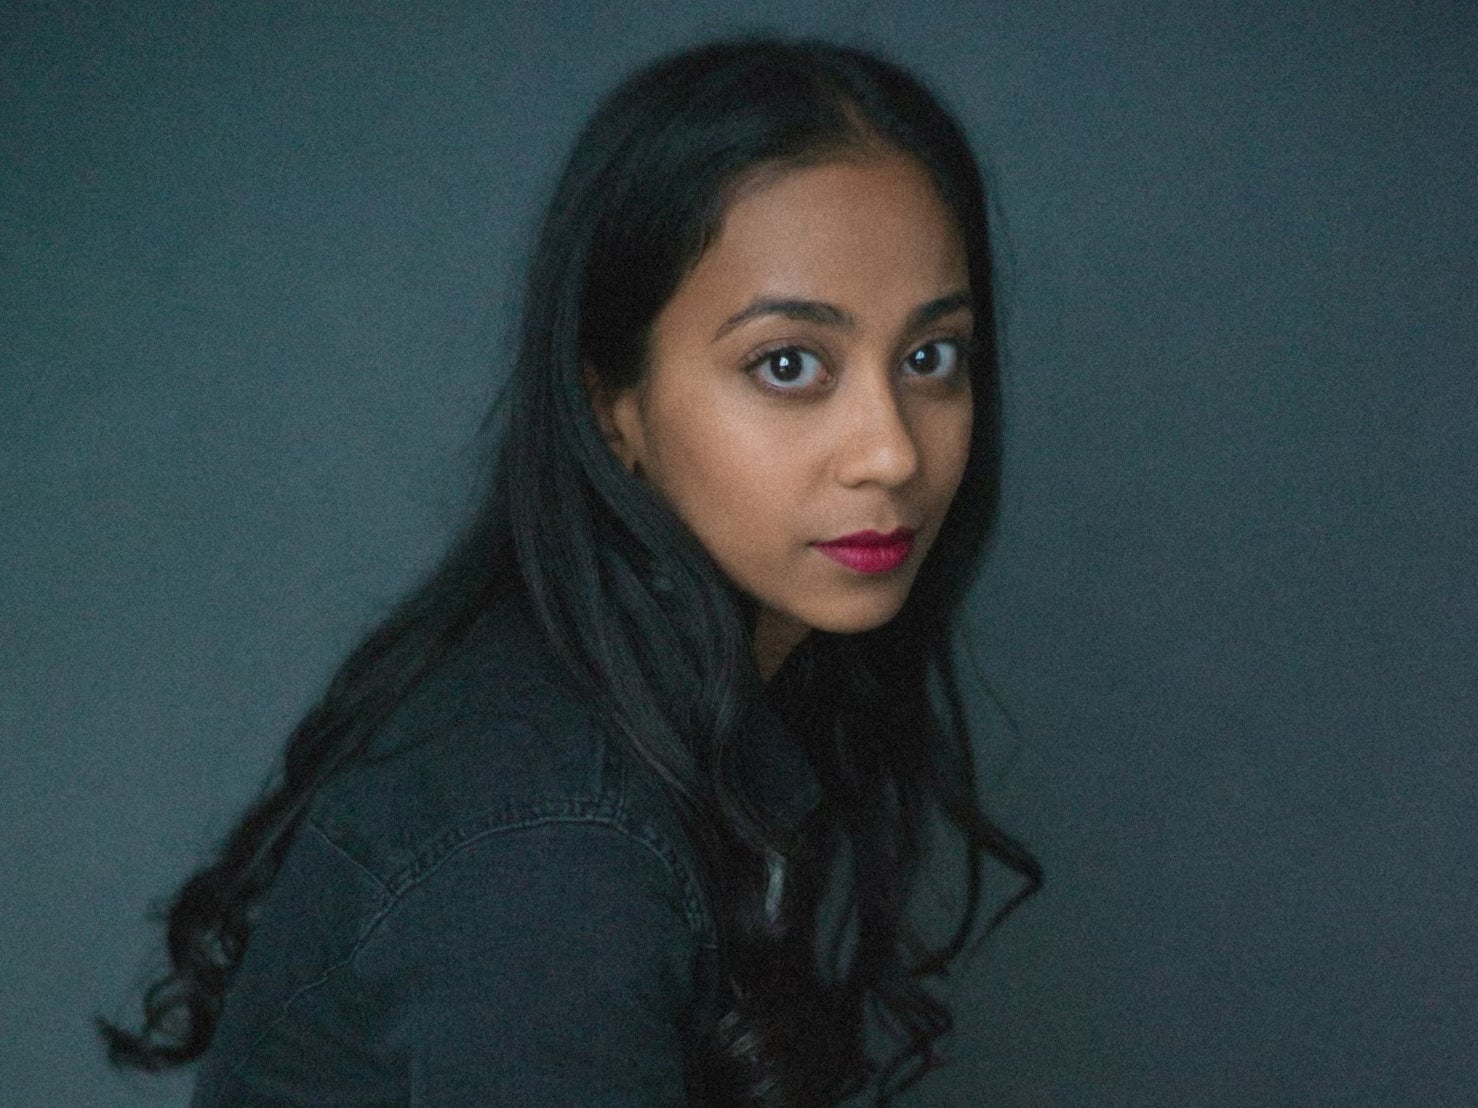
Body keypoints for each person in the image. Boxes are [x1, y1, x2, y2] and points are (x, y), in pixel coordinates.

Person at [102, 36, 1041, 1107]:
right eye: (788, 364)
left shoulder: (684, 701)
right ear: (613, 404)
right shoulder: (553, 850)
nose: (891, 451)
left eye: (930, 358)